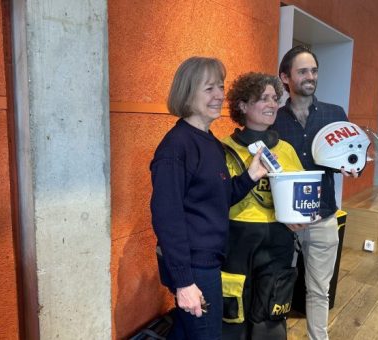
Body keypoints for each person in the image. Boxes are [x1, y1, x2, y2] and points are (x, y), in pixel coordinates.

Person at [150, 57, 268, 340]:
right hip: (193, 267)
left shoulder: (210, 142)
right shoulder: (176, 147)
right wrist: (184, 283)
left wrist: (250, 176)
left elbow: (217, 198)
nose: (219, 96)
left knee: (187, 332)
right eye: (209, 89)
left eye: (221, 87)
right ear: (187, 93)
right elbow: (167, 218)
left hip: (207, 261)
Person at [271, 45, 358, 340]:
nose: (311, 77)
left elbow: (346, 158)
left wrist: (351, 167)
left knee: (319, 291)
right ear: (285, 77)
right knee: (276, 285)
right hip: (283, 221)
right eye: (303, 71)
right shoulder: (274, 120)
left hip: (323, 217)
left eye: (314, 70)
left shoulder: (335, 115)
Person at [220, 72, 304, 340]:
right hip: (236, 240)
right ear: (242, 106)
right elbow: (216, 198)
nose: (272, 104)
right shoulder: (223, 149)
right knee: (233, 308)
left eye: (274, 99)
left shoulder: (287, 150)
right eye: (263, 99)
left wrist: (302, 217)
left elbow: (301, 195)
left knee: (271, 308)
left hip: (277, 239)